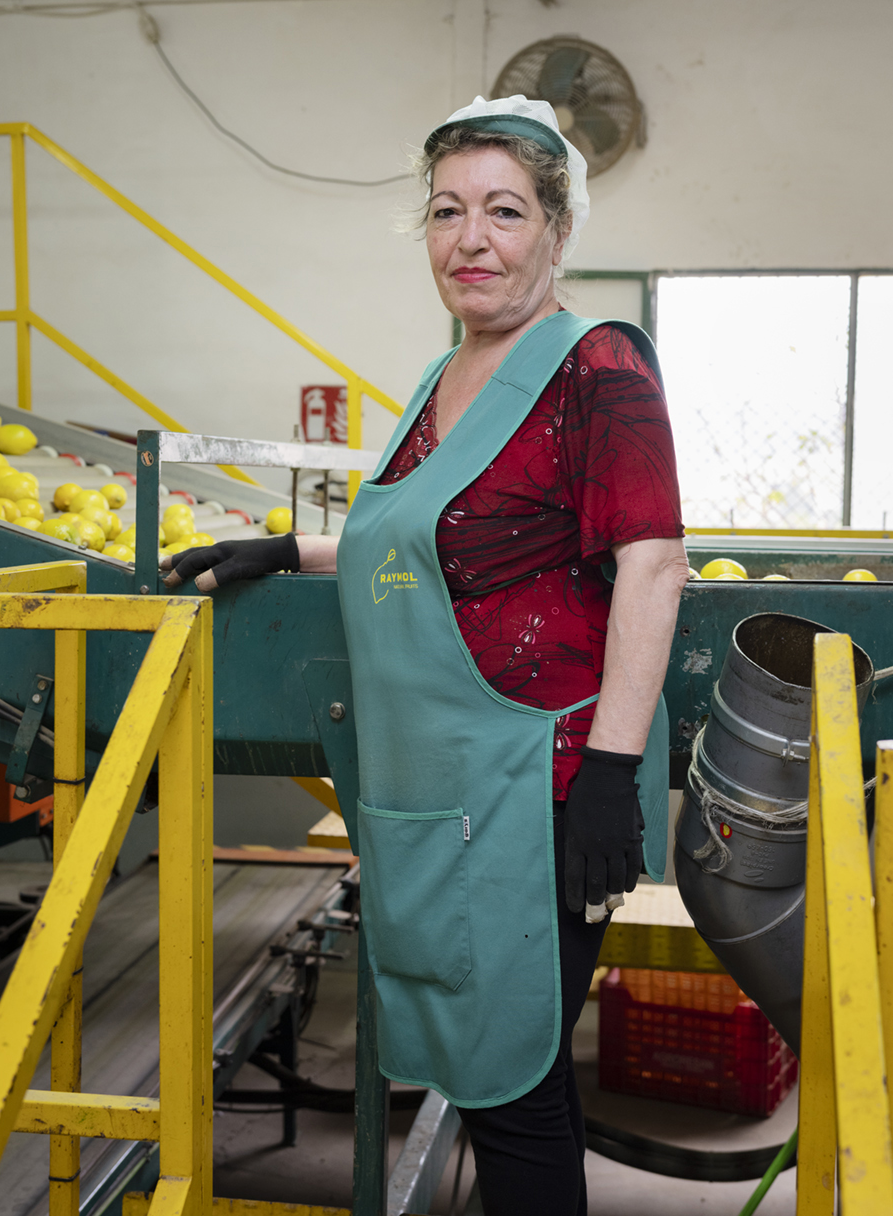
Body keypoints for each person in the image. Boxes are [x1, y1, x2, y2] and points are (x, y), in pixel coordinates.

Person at [164, 95, 690, 1216]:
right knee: (493, 1077)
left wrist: (610, 771)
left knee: (515, 1094)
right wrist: (291, 550)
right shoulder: (441, 378)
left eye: (505, 210)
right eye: (447, 211)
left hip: (538, 790)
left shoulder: (595, 365)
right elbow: (440, 539)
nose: (471, 240)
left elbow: (652, 561)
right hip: (437, 796)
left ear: (557, 229)